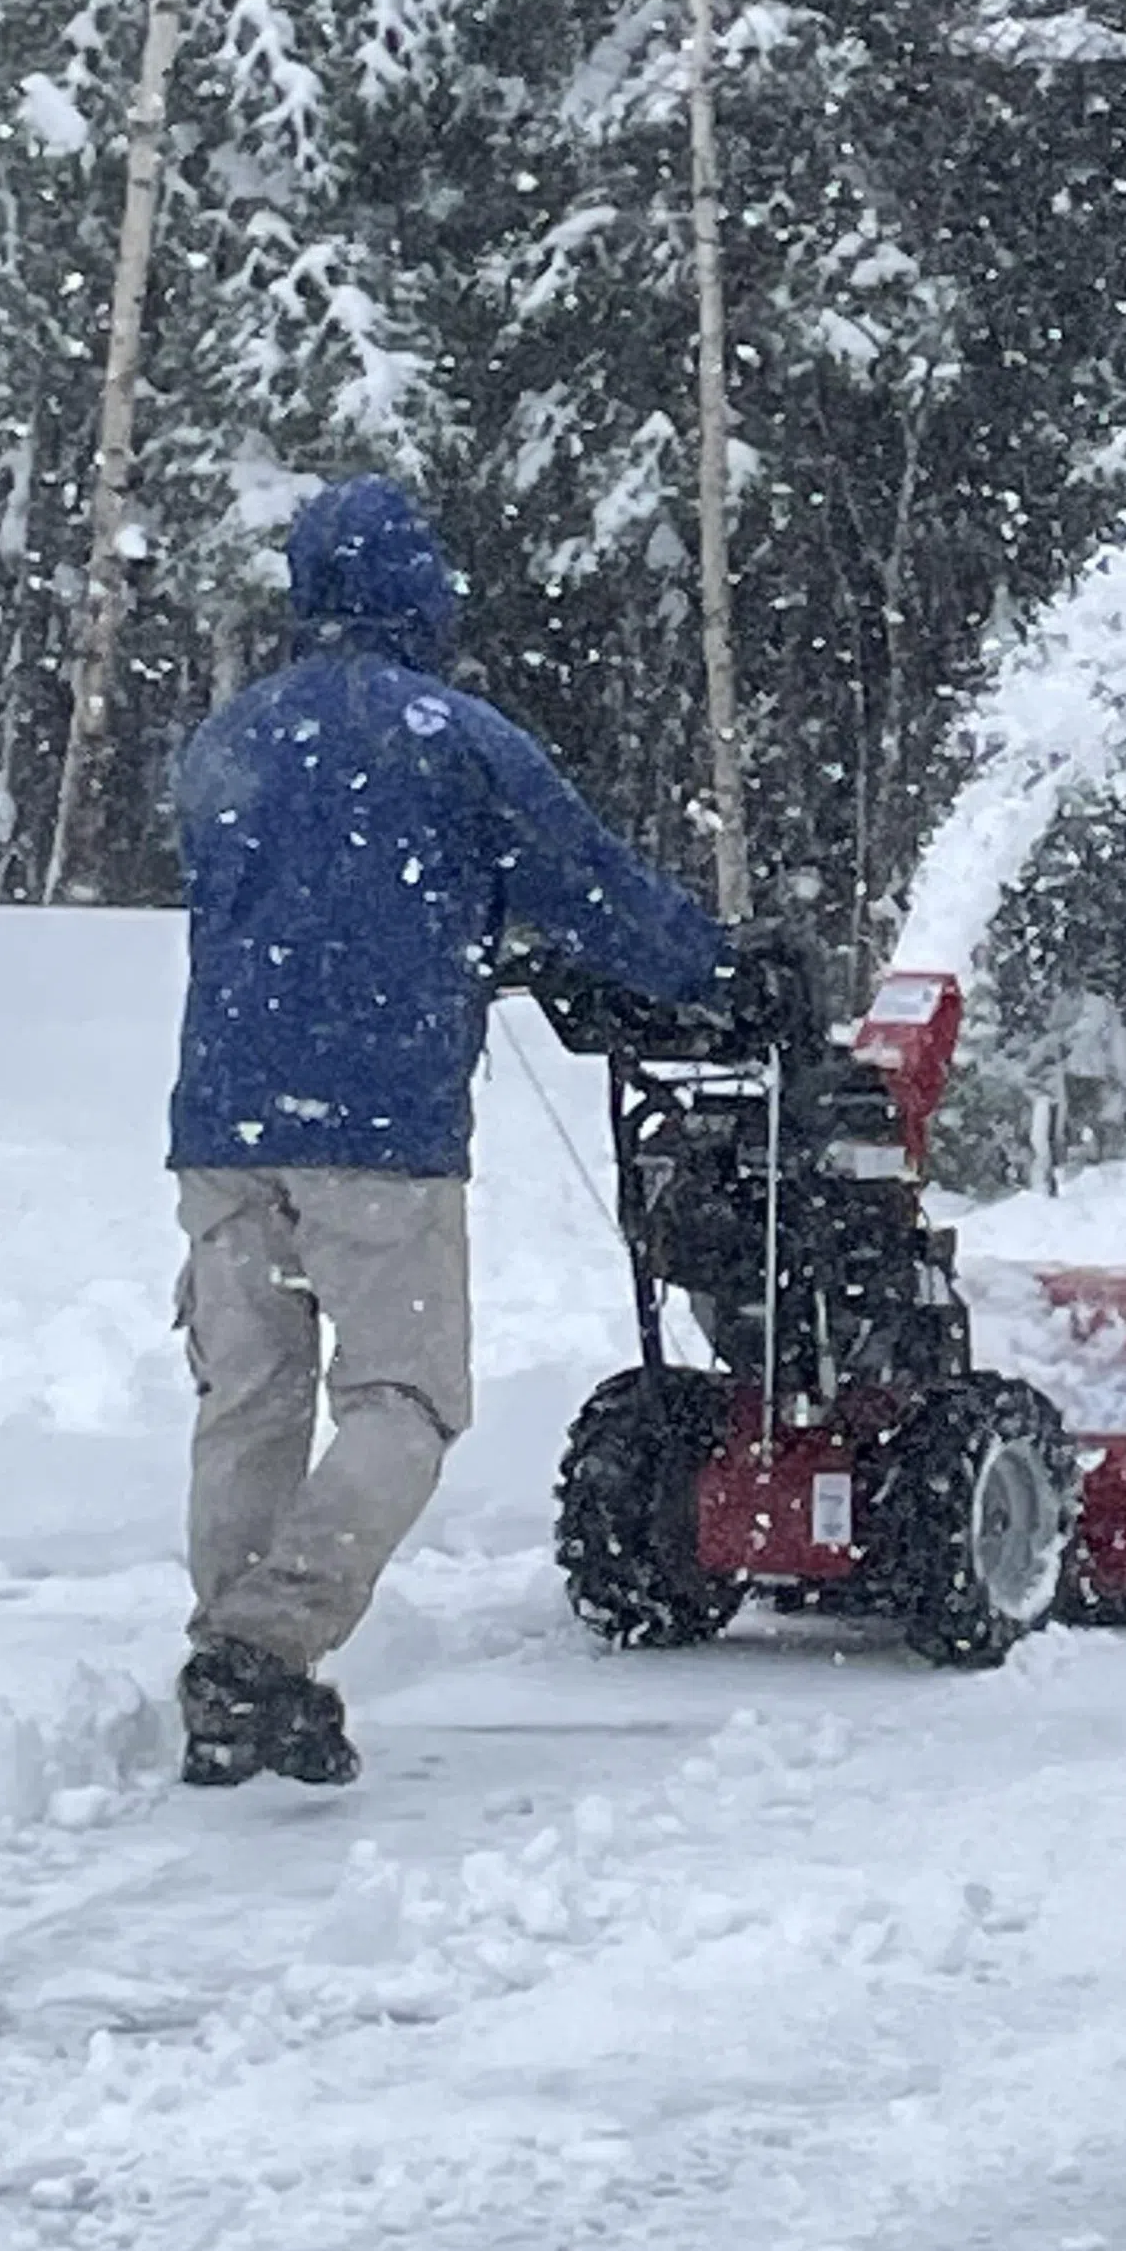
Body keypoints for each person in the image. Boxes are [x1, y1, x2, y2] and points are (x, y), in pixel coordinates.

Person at [167, 475, 731, 1790]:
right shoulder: (450, 736)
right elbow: (591, 890)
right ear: (418, 587)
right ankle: (264, 1643)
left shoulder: (226, 740)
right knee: (405, 1401)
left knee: (247, 1400)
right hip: (377, 1131)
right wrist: (712, 967)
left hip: (220, 1124)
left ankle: (237, 1676)